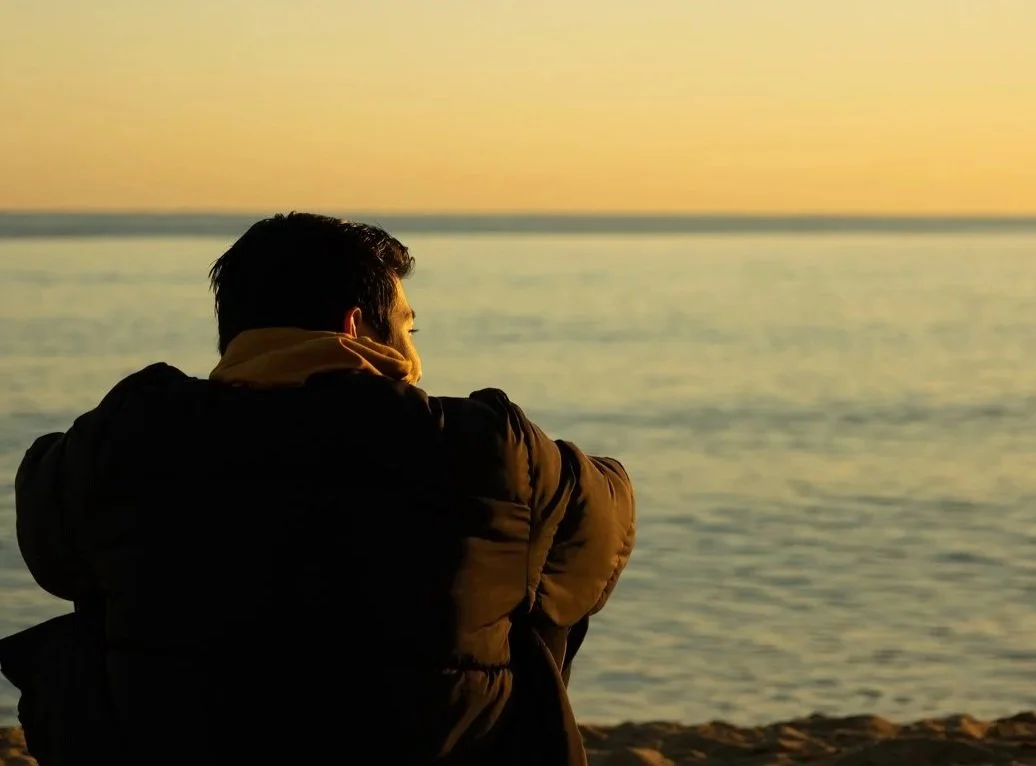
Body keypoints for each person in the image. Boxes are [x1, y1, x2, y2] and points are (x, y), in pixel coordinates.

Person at [10, 213, 637, 765]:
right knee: (534, 598)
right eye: (409, 332)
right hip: (424, 743)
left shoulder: (128, 435)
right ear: (356, 324)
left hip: (183, 738)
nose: (415, 358)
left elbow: (53, 550)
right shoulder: (483, 444)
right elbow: (604, 514)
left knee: (92, 610)